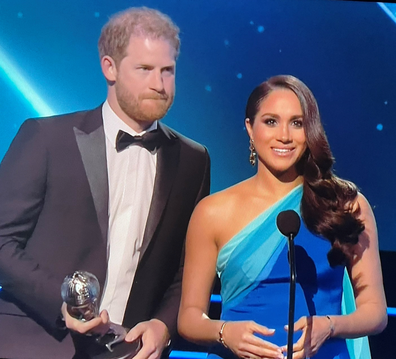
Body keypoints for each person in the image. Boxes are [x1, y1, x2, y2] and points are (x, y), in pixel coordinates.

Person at [0, 7, 210, 359]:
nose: (159, 85)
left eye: (167, 71)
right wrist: (62, 301)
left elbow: (187, 266)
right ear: (109, 67)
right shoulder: (46, 139)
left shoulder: (193, 159)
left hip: (128, 352)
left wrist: (163, 325)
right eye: (144, 69)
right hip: (34, 343)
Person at [178, 75, 387, 359]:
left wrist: (329, 326)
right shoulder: (212, 212)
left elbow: (375, 312)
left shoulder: (346, 205)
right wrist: (224, 332)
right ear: (250, 128)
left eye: (297, 123)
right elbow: (189, 318)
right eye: (271, 121)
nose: (285, 136)